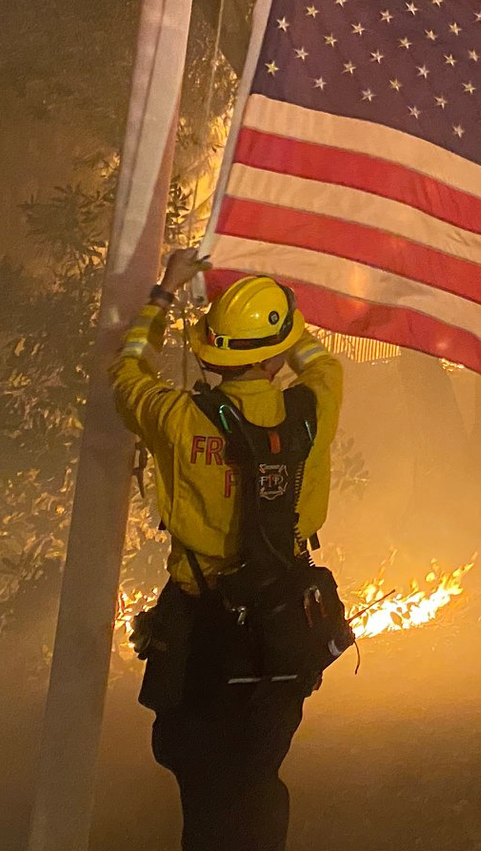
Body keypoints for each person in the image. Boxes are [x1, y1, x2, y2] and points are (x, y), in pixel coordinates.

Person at [110, 246, 344, 851]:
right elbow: (314, 358)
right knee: (259, 772)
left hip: (204, 627)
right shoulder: (316, 401)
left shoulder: (175, 416)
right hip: (286, 626)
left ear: (216, 350)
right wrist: (283, 321)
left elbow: (127, 369)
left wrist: (164, 294)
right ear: (277, 353)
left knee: (204, 780)